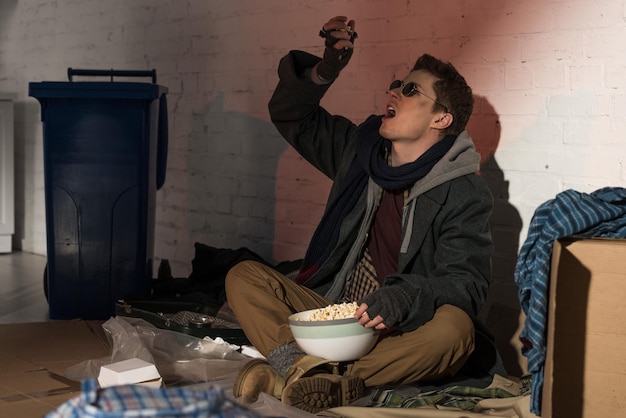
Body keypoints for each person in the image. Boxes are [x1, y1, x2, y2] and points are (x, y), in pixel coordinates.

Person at [225, 15, 504, 414]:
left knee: (455, 331)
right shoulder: (360, 151)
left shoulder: (463, 191)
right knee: (243, 275)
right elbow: (292, 116)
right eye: (397, 83)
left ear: (440, 119)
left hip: (399, 328)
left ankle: (304, 377)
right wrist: (326, 68)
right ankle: (310, 374)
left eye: (410, 90)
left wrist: (407, 295)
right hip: (335, 309)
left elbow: (467, 284)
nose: (394, 91)